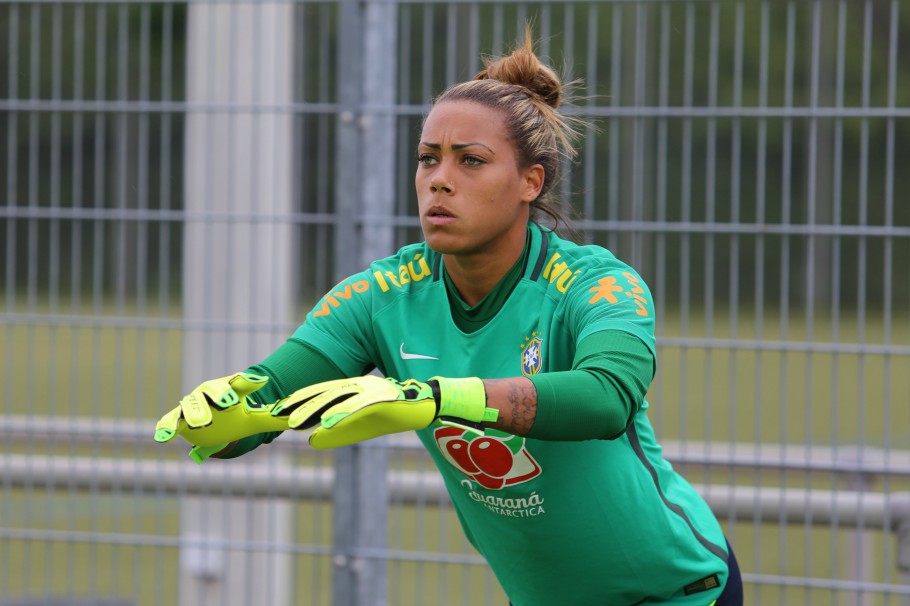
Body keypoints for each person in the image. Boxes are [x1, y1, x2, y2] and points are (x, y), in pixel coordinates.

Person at [155, 30, 744, 606]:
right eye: (427, 158)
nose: (440, 179)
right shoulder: (382, 295)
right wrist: (224, 418)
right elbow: (269, 395)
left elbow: (607, 397)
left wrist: (438, 398)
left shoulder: (594, 282)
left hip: (675, 592)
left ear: (530, 182)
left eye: (471, 161)